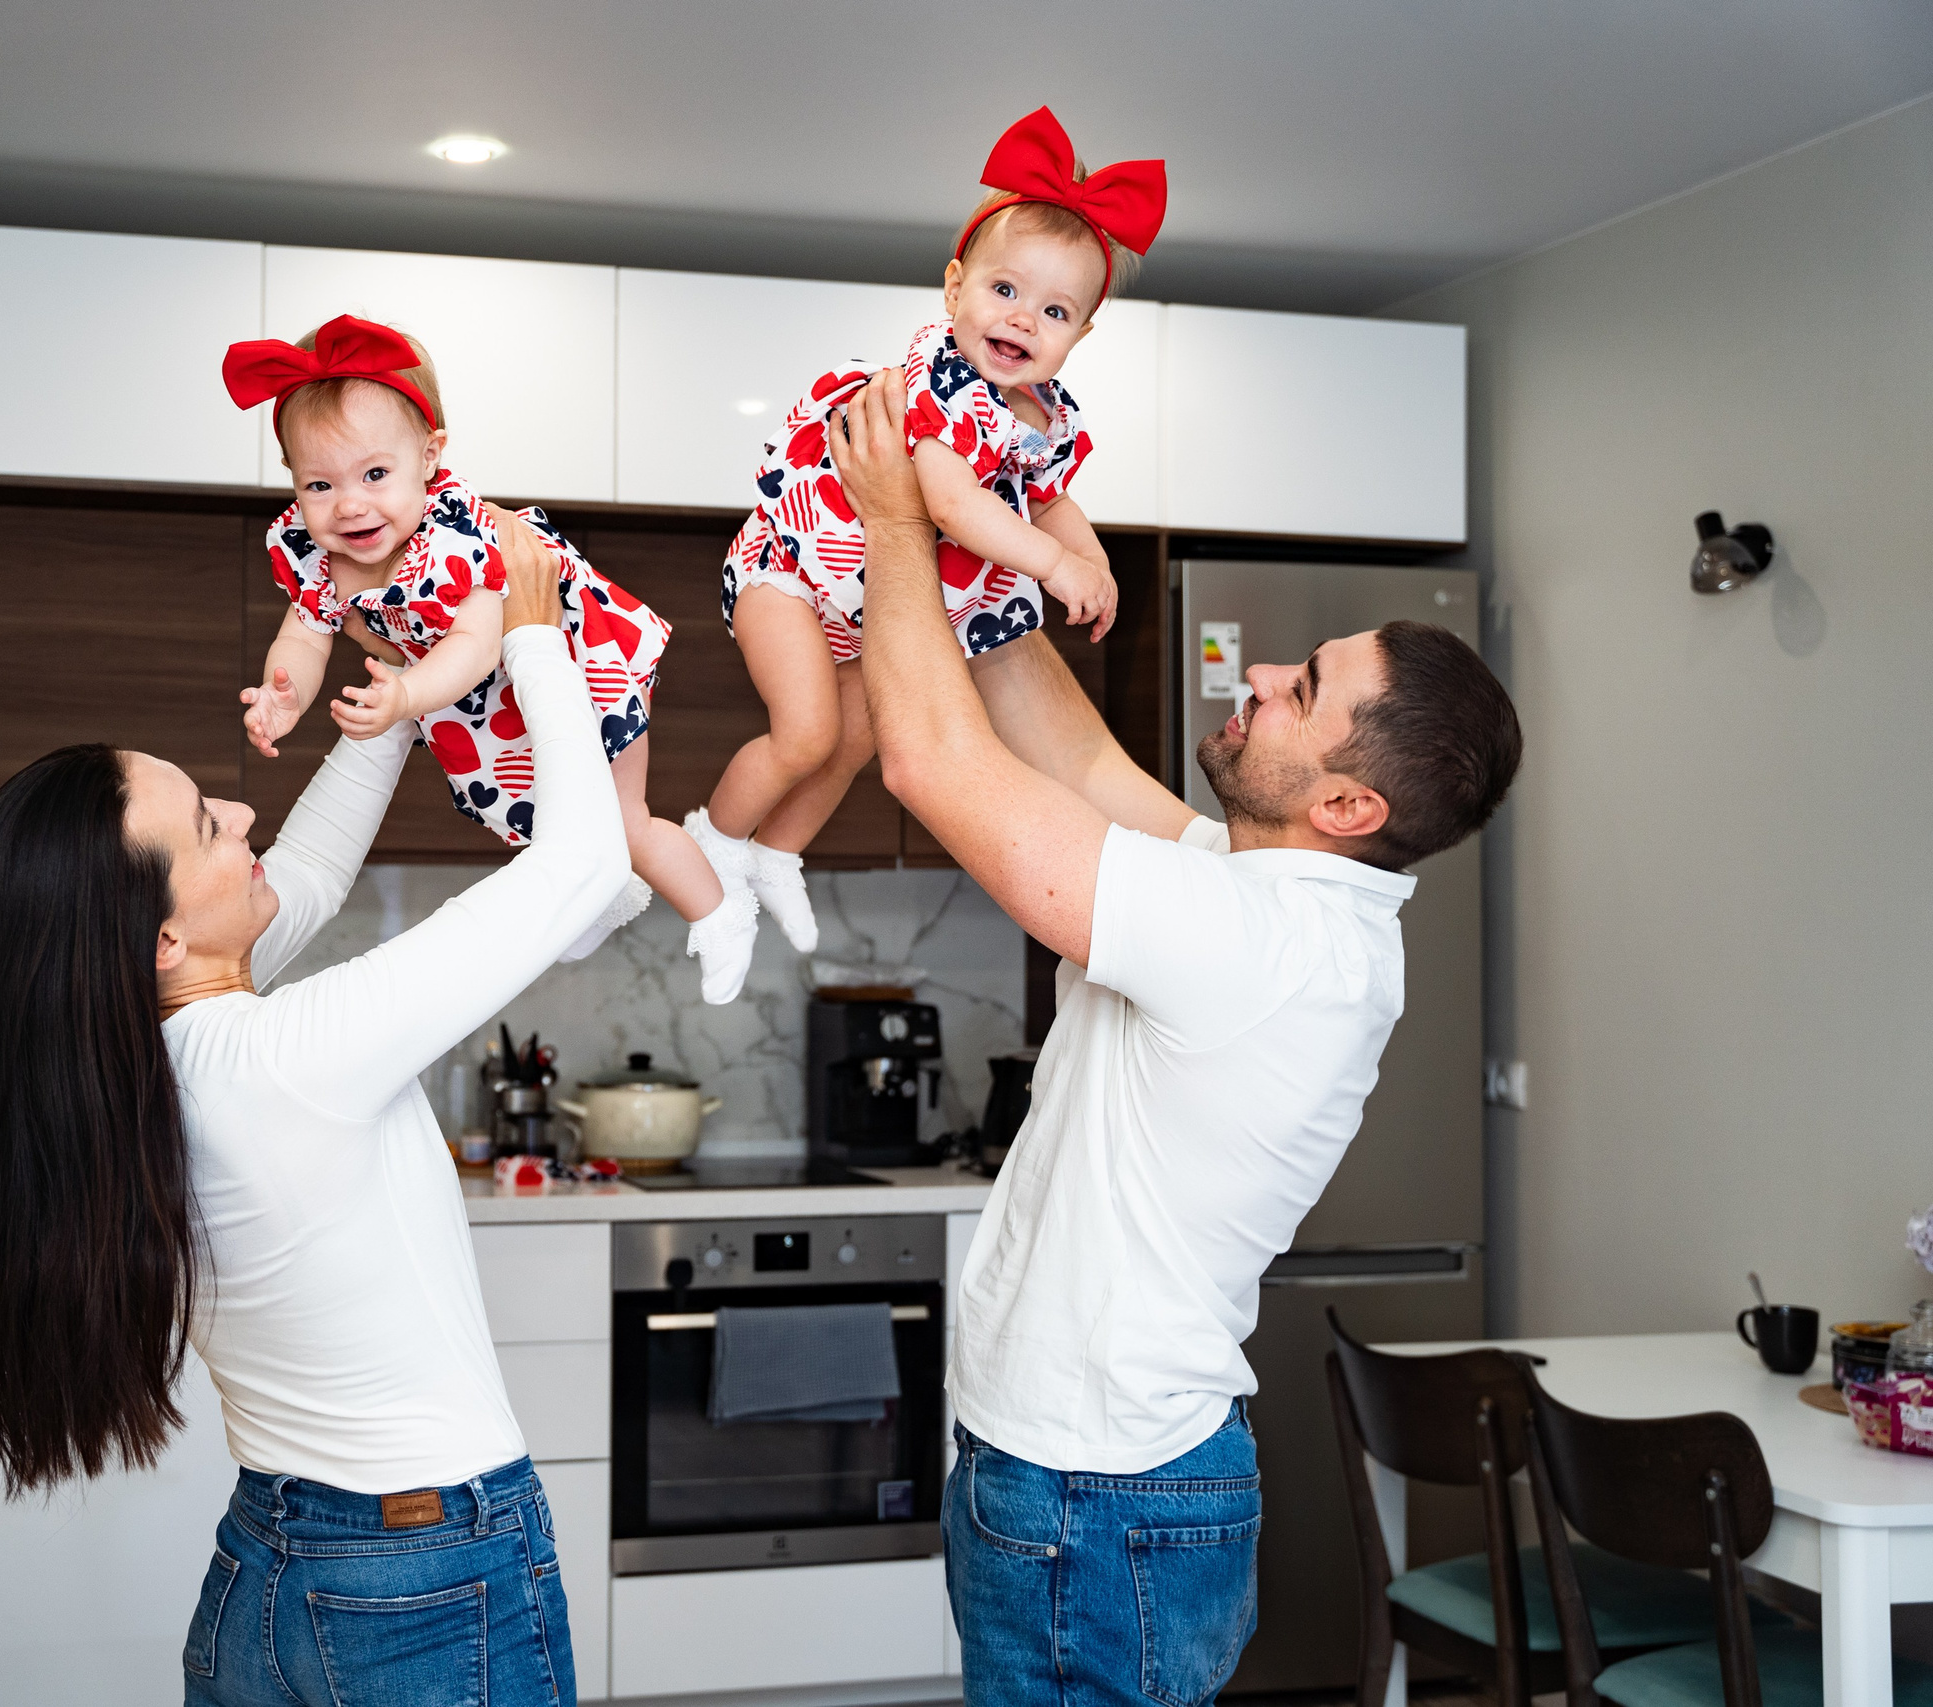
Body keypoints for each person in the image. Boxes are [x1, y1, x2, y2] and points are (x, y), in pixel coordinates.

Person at [828, 367, 1522, 1707]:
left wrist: (895, 529)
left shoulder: (1265, 944)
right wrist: (979, 514)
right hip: (1079, 1472)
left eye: (1301, 685)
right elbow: (1079, 761)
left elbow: (933, 764)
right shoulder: (1262, 888)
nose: (1259, 673)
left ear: (1344, 802)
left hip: (1104, 1492)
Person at [0, 515, 628, 1707]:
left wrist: (399, 688)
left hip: (271, 1569)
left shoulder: (127, 1062)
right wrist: (528, 626)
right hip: (425, 1578)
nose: (243, 815)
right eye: (208, 825)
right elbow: (580, 868)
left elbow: (300, 870)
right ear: (159, 939)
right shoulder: (285, 1059)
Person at [684, 106, 1159, 991]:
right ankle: (713, 856)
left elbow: (1052, 498)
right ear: (954, 289)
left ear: (1081, 335)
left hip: (866, 606)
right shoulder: (939, 376)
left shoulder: (1044, 417)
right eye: (1005, 291)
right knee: (805, 733)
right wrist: (1052, 566)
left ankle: (779, 854)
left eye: (1054, 310)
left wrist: (1089, 558)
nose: (1022, 320)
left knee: (856, 744)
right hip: (791, 571)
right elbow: (944, 500)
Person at [225, 313, 743, 994]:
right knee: (549, 828)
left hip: (574, 667)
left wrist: (407, 695)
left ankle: (724, 916)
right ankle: (602, 895)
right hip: (489, 707)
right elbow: (304, 633)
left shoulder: (457, 538)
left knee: (623, 821)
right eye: (319, 485)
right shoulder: (318, 555)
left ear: (430, 457)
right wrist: (282, 691)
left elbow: (471, 645)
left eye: (375, 473)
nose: (348, 505)